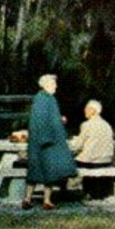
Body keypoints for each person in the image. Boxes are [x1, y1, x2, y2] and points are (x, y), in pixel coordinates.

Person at [23, 74, 77, 210]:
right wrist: (46, 138)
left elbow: (50, 118)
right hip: (46, 141)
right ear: (46, 85)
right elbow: (40, 120)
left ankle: (41, 199)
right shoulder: (43, 99)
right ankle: (32, 199)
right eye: (53, 84)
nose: (56, 86)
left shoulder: (46, 99)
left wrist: (59, 120)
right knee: (39, 170)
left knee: (47, 171)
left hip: (47, 140)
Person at [69, 99, 115, 200]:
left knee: (67, 163)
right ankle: (99, 192)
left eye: (87, 109)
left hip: (91, 160)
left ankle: (64, 191)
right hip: (106, 159)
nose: (84, 111)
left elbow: (77, 146)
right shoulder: (107, 125)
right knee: (88, 158)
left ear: (93, 111)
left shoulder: (86, 125)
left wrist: (73, 141)